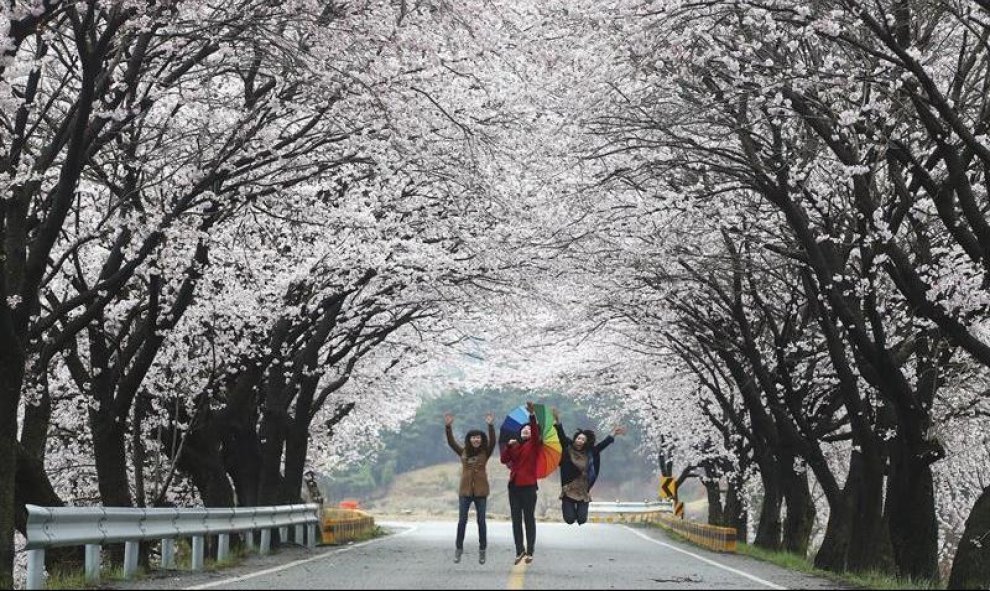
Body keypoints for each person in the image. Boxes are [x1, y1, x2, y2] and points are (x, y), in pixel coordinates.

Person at [552, 407, 626, 526]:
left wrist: (613, 434)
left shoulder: (590, 452)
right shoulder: (567, 448)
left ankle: (579, 511)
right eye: (579, 438)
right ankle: (569, 510)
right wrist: (557, 421)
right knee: (570, 520)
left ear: (586, 442)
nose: (580, 440)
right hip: (568, 489)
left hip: (583, 490)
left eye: (583, 439)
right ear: (575, 439)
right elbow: (561, 435)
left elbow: (602, 445)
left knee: (582, 520)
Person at [444, 411, 496, 564]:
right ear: (469, 439)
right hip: (465, 492)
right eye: (473, 437)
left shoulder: (485, 452)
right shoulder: (463, 452)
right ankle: (458, 549)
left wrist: (490, 426)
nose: (476, 439)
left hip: (481, 492)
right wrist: (448, 427)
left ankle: (482, 550)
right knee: (462, 521)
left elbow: (493, 441)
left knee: (481, 521)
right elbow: (452, 443)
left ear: (481, 439)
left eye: (478, 437)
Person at [500, 400, 543, 565]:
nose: (526, 429)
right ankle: (519, 550)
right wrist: (509, 446)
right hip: (514, 486)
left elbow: (534, 434)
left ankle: (530, 550)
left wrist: (532, 415)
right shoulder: (515, 445)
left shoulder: (534, 445)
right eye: (523, 428)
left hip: (529, 487)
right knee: (516, 519)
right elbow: (504, 460)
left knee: (528, 518)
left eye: (529, 429)